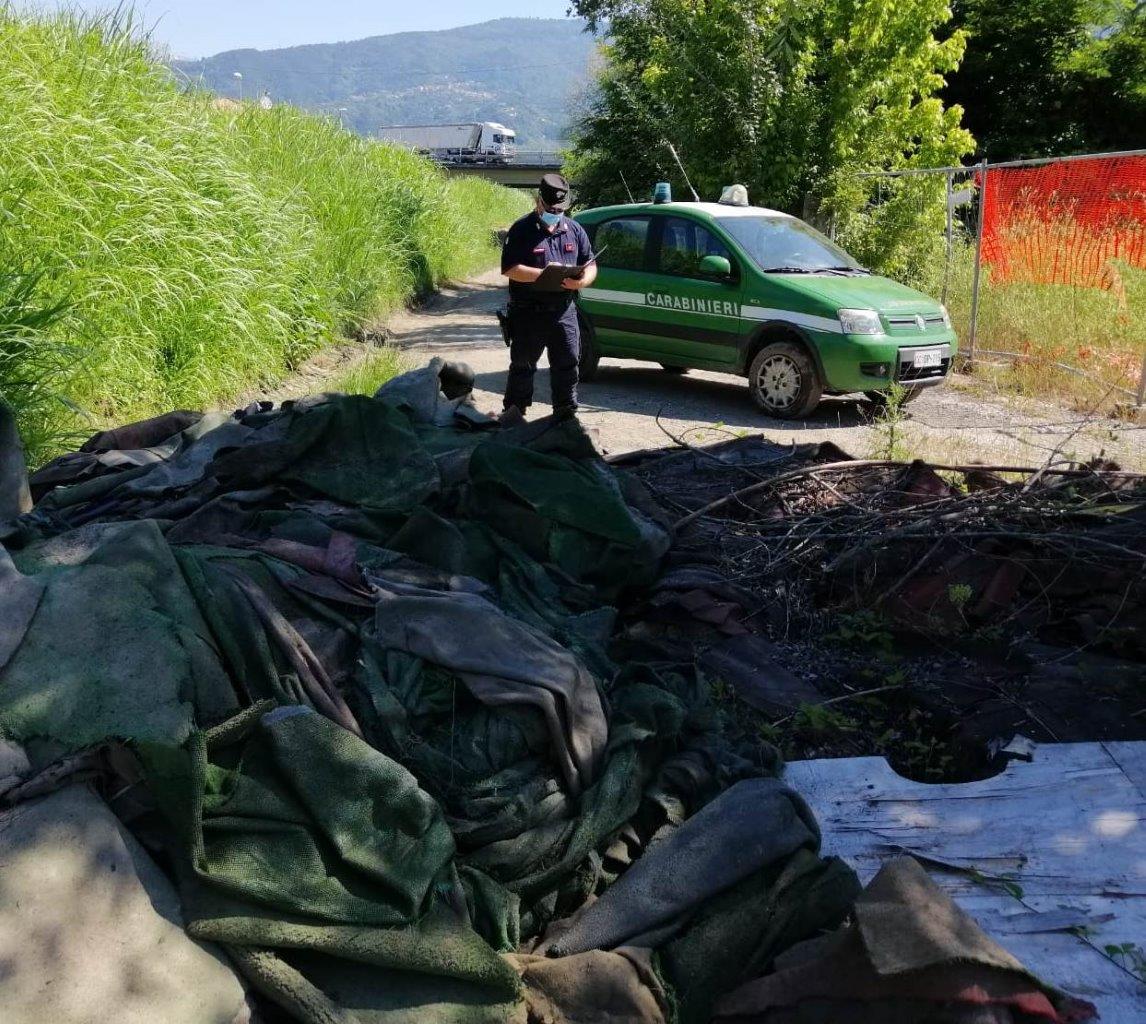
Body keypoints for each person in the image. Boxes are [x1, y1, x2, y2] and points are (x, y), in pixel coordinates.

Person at [499, 172, 597, 422]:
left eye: (559, 208)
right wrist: (542, 274)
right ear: (538, 200)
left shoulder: (574, 229)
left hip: (564, 311)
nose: (555, 211)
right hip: (529, 312)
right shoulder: (521, 230)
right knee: (523, 367)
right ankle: (514, 416)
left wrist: (582, 280)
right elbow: (510, 269)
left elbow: (590, 264)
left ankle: (565, 417)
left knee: (568, 365)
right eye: (550, 207)